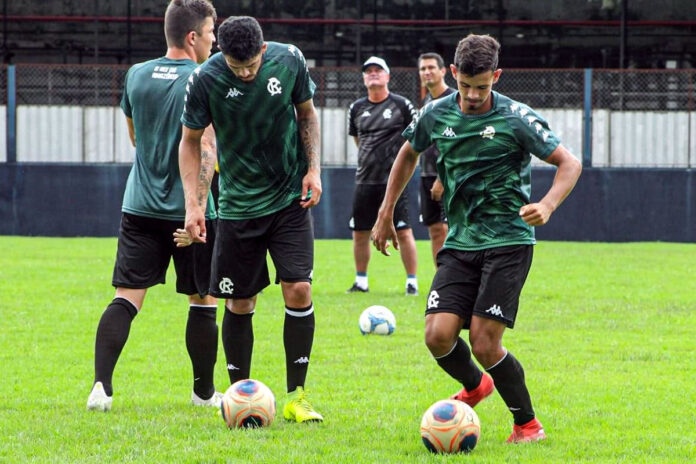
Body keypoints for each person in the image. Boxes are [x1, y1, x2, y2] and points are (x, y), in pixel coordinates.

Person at [371, 34, 582, 443]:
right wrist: (384, 213)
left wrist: (549, 205)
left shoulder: (516, 117)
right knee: (437, 335)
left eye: (482, 87)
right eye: (465, 85)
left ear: (496, 77)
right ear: (453, 74)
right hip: (461, 240)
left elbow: (569, 163)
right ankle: (476, 386)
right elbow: (408, 153)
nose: (471, 95)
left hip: (508, 241)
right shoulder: (436, 114)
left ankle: (527, 425)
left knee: (485, 343)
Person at [179, 16, 324, 423]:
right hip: (238, 206)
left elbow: (307, 115)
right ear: (221, 54)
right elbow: (190, 143)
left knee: (298, 289)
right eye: (234, 66)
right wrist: (194, 204)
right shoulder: (205, 79)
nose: (243, 74)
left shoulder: (289, 60)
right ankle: (240, 397)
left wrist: (313, 169)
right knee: (240, 301)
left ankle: (297, 396)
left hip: (288, 200)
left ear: (263, 51)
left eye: (250, 66)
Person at [87, 0, 221, 412]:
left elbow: (135, 138)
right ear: (192, 37)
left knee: (127, 297)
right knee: (202, 301)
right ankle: (203, 394)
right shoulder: (206, 77)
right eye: (211, 32)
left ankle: (100, 389)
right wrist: (196, 204)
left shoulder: (136, 75)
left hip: (140, 205)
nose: (215, 41)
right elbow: (209, 148)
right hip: (191, 212)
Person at [346, 56, 419, 295]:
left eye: (378, 70)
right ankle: (361, 281)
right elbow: (358, 140)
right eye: (369, 71)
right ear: (364, 78)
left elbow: (415, 140)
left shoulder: (401, 105)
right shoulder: (356, 108)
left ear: (388, 76)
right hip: (364, 181)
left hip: (394, 183)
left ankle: (411, 282)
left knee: (404, 231)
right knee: (360, 232)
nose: (373, 74)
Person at [417, 52, 455, 266]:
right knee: (434, 229)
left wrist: (442, 179)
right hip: (426, 173)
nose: (427, 72)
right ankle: (441, 279)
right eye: (423, 69)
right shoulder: (426, 101)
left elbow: (457, 143)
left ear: (443, 71)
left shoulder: (455, 100)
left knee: (450, 229)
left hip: (449, 176)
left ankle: (458, 278)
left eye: (431, 67)